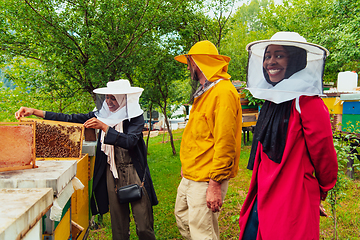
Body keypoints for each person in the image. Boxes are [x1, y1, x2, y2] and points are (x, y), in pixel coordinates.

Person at [15, 79, 158, 240]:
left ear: (123, 98)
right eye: (107, 97)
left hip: (134, 172)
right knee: (118, 225)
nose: (109, 102)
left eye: (113, 98)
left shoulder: (135, 117)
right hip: (111, 173)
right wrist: (35, 111)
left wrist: (105, 127)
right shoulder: (101, 114)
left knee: (144, 224)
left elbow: (130, 141)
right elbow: (70, 119)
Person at [239, 32, 338, 240]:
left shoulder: (307, 101)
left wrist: (320, 191)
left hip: (292, 194)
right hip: (263, 190)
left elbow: (323, 153)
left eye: (279, 55)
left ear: (295, 60)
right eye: (268, 56)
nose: (270, 62)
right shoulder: (272, 98)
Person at [173, 40, 242, 240]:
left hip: (207, 178)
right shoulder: (207, 91)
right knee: (183, 218)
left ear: (197, 62)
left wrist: (215, 184)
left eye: (189, 62)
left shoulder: (223, 92)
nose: (188, 67)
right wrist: (187, 165)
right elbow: (199, 134)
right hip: (192, 173)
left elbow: (225, 142)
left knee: (202, 233)